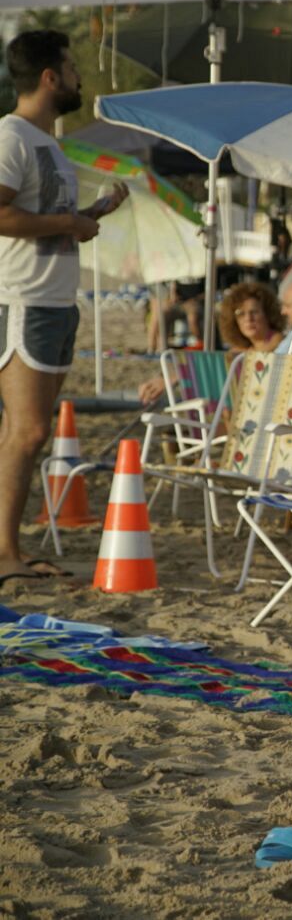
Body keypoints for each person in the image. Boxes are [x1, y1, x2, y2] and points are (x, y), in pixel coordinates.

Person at [0, 30, 128, 585]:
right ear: (50, 77)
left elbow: (45, 222)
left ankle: (7, 547)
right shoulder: (12, 136)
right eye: (73, 69)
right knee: (26, 434)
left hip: (54, 300)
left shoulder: (47, 143)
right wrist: (69, 222)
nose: (79, 78)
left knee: (24, 433)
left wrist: (91, 215)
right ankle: (4, 554)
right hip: (25, 300)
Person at [218, 280, 287, 357]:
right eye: (241, 314)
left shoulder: (282, 344)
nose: (248, 318)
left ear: (268, 314)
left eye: (254, 312)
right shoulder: (240, 351)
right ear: (234, 320)